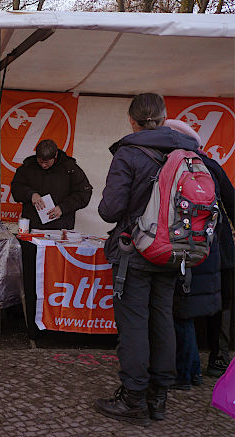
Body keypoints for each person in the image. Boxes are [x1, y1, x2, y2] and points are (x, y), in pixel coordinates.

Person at [95, 94, 201, 426]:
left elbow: (109, 209)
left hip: (135, 251)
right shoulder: (187, 152)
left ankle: (134, 401)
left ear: (132, 120)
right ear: (166, 117)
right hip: (174, 252)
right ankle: (159, 399)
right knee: (163, 323)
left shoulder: (129, 153)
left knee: (134, 327)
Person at [163, 120, 235, 389]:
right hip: (217, 248)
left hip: (191, 248)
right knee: (215, 306)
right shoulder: (210, 166)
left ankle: (196, 367)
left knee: (189, 310)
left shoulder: (177, 166)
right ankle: (214, 360)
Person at [10, 139, 92, 231]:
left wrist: (63, 208)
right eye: (40, 161)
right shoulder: (28, 167)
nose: (43, 165)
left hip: (61, 228)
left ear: (55, 155)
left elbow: (84, 193)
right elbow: (16, 187)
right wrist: (30, 194)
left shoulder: (70, 168)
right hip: (32, 227)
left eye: (47, 162)